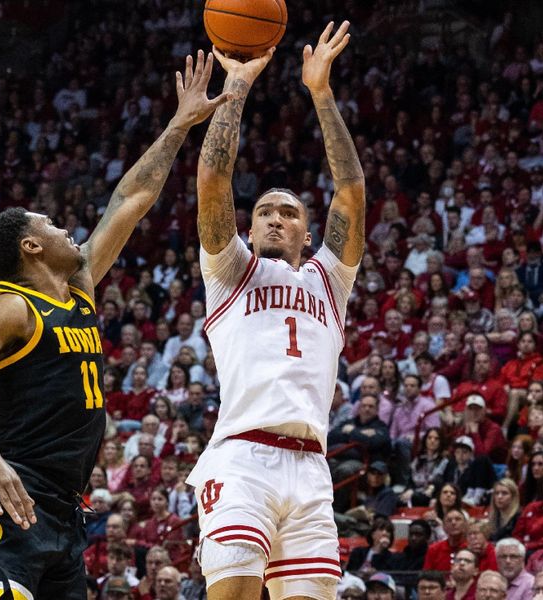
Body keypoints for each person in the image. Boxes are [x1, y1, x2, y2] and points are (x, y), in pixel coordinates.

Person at [0, 51, 228, 600]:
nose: (67, 230)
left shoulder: (79, 286)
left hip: (64, 511)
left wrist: (180, 124)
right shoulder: (8, 306)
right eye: (53, 225)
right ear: (31, 246)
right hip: (11, 497)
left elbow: (130, 201)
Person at [186, 21, 363, 600]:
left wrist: (321, 92)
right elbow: (213, 178)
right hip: (243, 458)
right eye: (263, 210)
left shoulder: (329, 279)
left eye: (287, 212)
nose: (272, 217)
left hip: (312, 468)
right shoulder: (231, 272)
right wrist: (236, 84)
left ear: (308, 234)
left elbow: (351, 189)